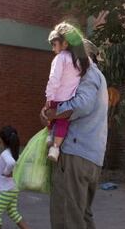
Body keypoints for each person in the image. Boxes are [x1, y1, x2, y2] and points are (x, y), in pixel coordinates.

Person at [41, 38, 108, 229]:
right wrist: (49, 114)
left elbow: (81, 105)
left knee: (67, 215)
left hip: (75, 154)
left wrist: (54, 113)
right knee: (81, 215)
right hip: (89, 155)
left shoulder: (89, 74)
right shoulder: (95, 77)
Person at [44, 22, 90, 162]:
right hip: (69, 100)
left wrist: (48, 97)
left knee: (51, 117)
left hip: (56, 97)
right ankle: (56, 148)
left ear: (64, 44)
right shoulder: (79, 61)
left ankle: (50, 137)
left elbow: (54, 79)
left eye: (54, 44)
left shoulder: (60, 58)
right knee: (63, 123)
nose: (53, 48)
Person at [0, 126, 30, 229]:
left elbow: (11, 163)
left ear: (1, 140)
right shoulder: (15, 153)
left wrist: (6, 172)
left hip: (6, 190)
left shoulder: (5, 154)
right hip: (13, 188)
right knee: (13, 212)